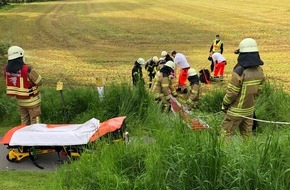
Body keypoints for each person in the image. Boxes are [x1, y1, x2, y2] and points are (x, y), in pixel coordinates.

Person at [221, 38, 265, 137]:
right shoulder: (260, 71)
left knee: (225, 134)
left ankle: (223, 152)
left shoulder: (239, 72)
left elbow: (232, 93)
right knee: (247, 137)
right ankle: (248, 153)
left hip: (235, 112)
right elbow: (258, 91)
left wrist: (224, 104)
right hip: (249, 111)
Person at [3, 45, 43, 125]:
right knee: (35, 123)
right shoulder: (27, 69)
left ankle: (23, 137)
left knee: (24, 123)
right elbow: (39, 81)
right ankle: (34, 137)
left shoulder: (6, 69)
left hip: (21, 102)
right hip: (33, 102)